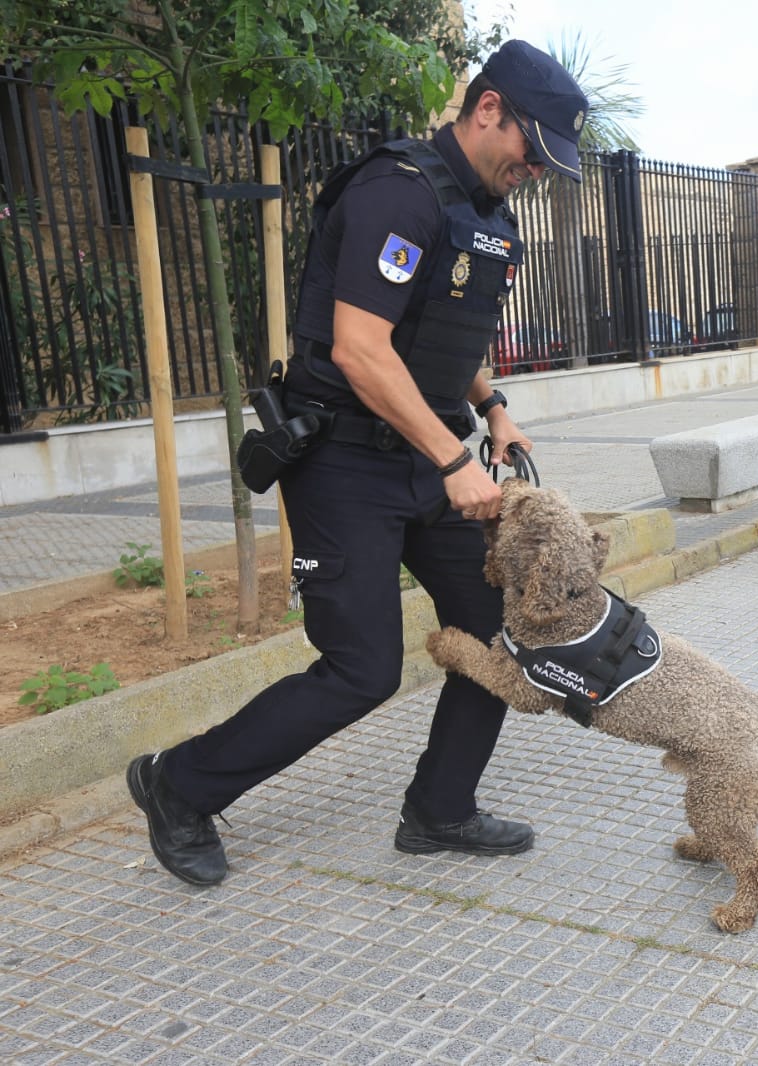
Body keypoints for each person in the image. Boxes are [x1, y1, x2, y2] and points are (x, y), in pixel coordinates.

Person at [125, 41, 588, 885]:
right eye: (534, 149)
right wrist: (455, 457)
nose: (537, 171)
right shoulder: (394, 194)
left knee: (499, 633)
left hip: (432, 452)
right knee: (360, 669)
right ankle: (177, 785)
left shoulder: (484, 213)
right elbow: (362, 349)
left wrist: (491, 408)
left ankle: (439, 810)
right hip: (345, 462)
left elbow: (443, 332)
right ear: (489, 110)